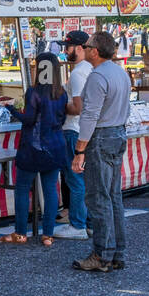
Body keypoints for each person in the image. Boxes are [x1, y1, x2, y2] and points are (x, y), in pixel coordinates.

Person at [70, 31, 132, 272]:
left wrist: (80, 149)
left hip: (102, 136)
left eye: (86, 46)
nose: (83, 50)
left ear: (94, 51)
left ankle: (102, 254)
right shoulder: (120, 73)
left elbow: (90, 115)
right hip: (118, 132)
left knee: (98, 197)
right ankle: (117, 252)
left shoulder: (97, 77)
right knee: (113, 196)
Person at [0, 52, 69, 247]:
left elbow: (29, 119)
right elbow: (61, 119)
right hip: (55, 146)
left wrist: (11, 109)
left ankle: (21, 233)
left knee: (22, 189)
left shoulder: (34, 92)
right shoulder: (61, 92)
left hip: (33, 147)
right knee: (50, 190)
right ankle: (48, 235)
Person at [54, 30, 91, 241]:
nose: (64, 51)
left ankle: (77, 225)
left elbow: (78, 107)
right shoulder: (91, 69)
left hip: (73, 129)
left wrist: (59, 105)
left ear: (78, 48)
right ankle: (89, 223)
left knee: (74, 179)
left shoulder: (78, 73)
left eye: (67, 47)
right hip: (84, 130)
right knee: (83, 180)